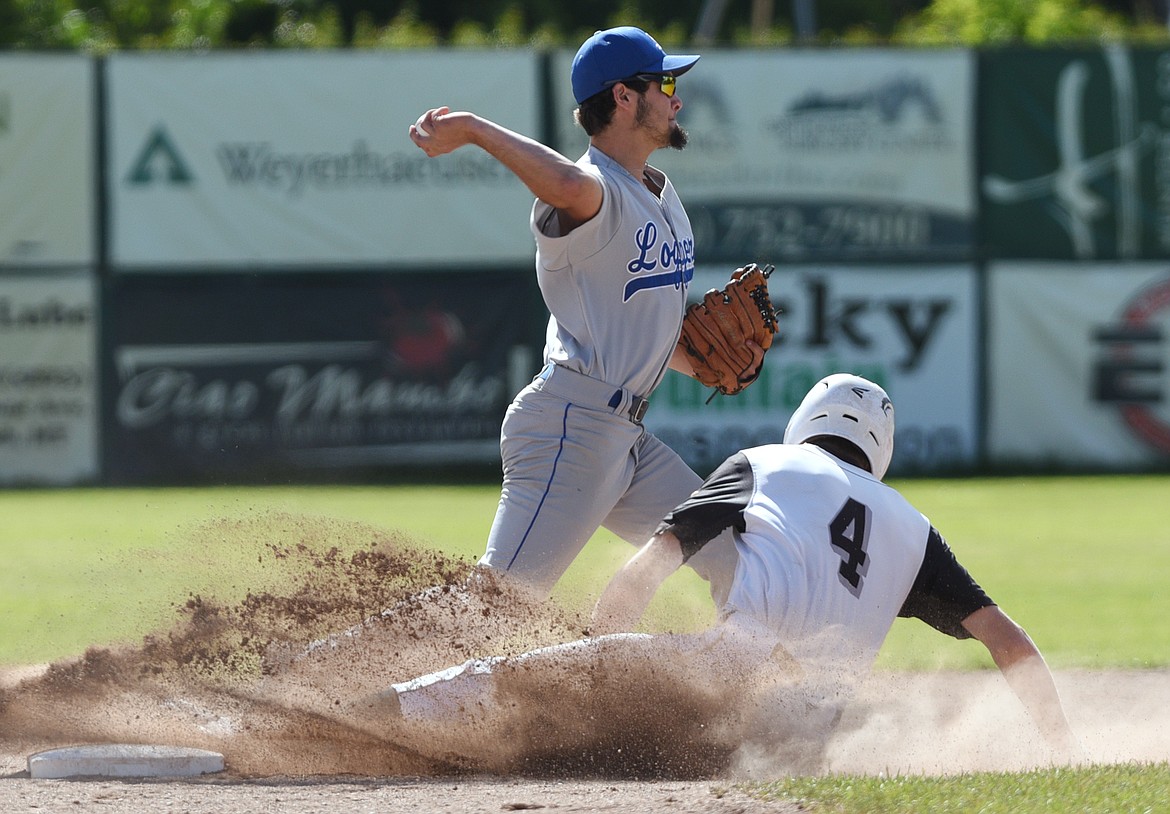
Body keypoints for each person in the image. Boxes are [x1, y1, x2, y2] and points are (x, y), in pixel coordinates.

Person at [367, 374, 1082, 773]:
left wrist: (595, 657)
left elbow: (646, 571)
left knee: (525, 683)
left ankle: (373, 716)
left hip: (733, 671)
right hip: (804, 737)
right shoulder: (912, 529)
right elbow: (1009, 642)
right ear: (880, 451)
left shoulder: (766, 462)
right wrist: (1063, 750)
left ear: (806, 421)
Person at [408, 26, 760, 601]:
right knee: (495, 606)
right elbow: (569, 184)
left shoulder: (659, 193)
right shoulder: (592, 190)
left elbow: (634, 322)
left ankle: (749, 689)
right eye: (665, 81)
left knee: (735, 558)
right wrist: (472, 128)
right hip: (571, 427)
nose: (677, 97)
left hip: (625, 437)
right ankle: (315, 675)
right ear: (624, 97)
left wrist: (701, 366)